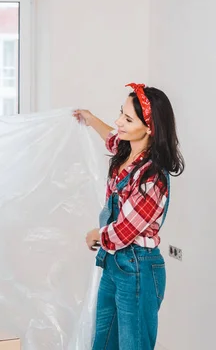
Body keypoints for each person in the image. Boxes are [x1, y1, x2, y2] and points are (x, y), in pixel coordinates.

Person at [74, 83, 184, 350]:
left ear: (149, 128)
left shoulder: (152, 177)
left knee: (133, 345)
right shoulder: (126, 151)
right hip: (116, 264)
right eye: (120, 114)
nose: (118, 122)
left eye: (127, 118)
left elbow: (124, 231)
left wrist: (97, 234)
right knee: (103, 342)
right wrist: (89, 119)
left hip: (139, 268)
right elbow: (111, 136)